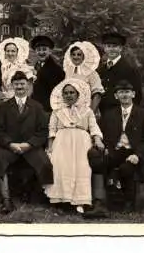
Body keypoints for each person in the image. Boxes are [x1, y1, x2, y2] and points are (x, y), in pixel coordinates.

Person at [90, 80, 144, 212]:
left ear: (133, 94)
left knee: (127, 168)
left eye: (127, 92)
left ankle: (128, 202)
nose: (124, 95)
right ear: (116, 96)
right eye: (121, 92)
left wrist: (138, 155)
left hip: (133, 151)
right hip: (114, 151)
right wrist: (105, 147)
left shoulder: (143, 114)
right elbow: (102, 133)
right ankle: (99, 201)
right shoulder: (109, 114)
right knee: (99, 161)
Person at [0, 71, 53, 214]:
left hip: (30, 146)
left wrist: (29, 144)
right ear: (12, 86)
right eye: (16, 84)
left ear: (28, 85)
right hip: (9, 146)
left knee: (44, 163)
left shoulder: (37, 106)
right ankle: (6, 201)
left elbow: (43, 131)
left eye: (22, 84)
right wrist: (10, 144)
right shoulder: (4, 106)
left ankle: (34, 194)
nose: (19, 87)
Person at [44, 78, 104, 214]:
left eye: (72, 92)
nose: (69, 95)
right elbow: (52, 130)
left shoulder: (87, 111)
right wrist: (50, 147)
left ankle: (80, 201)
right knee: (61, 166)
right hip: (62, 141)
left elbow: (94, 127)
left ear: (78, 95)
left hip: (81, 142)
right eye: (66, 93)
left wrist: (97, 139)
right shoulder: (57, 111)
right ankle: (61, 200)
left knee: (82, 168)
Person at [97, 32, 143, 116]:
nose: (111, 49)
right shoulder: (101, 69)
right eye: (108, 46)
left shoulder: (129, 69)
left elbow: (137, 96)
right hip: (102, 115)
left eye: (114, 46)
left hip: (120, 115)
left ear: (120, 48)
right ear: (104, 48)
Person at [0, 37, 35, 109]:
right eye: (8, 51)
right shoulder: (1, 67)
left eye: (13, 51)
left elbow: (30, 88)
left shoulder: (23, 67)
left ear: (17, 52)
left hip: (19, 101)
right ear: (5, 52)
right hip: (3, 101)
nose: (10, 53)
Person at [63, 41, 104, 113]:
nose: (76, 57)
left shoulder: (92, 73)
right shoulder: (69, 73)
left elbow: (97, 95)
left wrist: (90, 113)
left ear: (83, 57)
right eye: (73, 54)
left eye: (79, 54)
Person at [30, 35, 65, 113]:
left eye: (44, 49)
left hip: (48, 110)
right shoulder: (36, 66)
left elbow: (58, 94)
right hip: (36, 109)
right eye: (38, 50)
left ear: (50, 51)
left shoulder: (56, 70)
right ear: (35, 51)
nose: (41, 52)